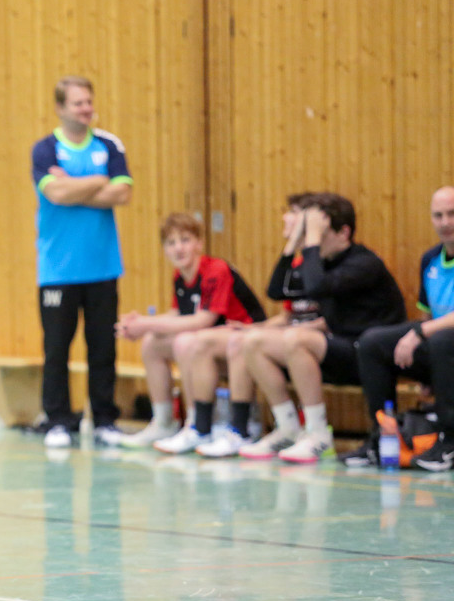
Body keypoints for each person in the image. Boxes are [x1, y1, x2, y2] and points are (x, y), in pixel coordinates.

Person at [239, 192, 406, 463]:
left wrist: (312, 242)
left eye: (319, 234)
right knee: (254, 342)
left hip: (371, 357)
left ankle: (318, 433)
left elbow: (316, 287)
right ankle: (288, 428)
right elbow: (276, 291)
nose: (312, 242)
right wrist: (294, 241)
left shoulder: (364, 263)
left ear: (344, 233)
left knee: (297, 339)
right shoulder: (322, 264)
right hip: (339, 351)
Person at [31, 75, 133, 449]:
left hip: (103, 267)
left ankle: (104, 419)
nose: (86, 109)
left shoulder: (109, 144)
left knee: (103, 348)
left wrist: (74, 184)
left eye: (89, 101)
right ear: (60, 108)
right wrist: (99, 180)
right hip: (58, 271)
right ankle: (58, 420)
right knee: (57, 349)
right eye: (78, 103)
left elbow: (122, 193)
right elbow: (55, 194)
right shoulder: (45, 149)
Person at [116, 212, 266, 451]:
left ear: (199, 243)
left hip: (245, 339)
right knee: (152, 344)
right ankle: (164, 421)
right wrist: (141, 323)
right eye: (171, 243)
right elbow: (178, 313)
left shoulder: (216, 270)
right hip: (211, 342)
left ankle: (197, 424)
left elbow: (203, 320)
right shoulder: (181, 275)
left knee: (185, 342)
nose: (178, 248)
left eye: (185, 240)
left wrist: (147, 324)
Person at [194, 192, 323, 457]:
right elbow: (286, 313)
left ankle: (245, 429)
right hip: (293, 335)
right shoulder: (298, 262)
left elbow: (327, 319)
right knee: (228, 338)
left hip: (314, 341)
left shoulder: (319, 265)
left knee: (244, 343)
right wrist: (255, 327)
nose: (285, 218)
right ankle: (206, 427)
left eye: (293, 212)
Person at [341, 186, 454, 470]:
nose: (445, 222)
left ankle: (450, 442)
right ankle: (383, 437)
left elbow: (431, 328)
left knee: (441, 340)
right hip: (443, 348)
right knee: (373, 343)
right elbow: (428, 316)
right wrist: (428, 367)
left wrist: (422, 334)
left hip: (446, 344)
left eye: (452, 214)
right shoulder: (430, 259)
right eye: (438, 215)